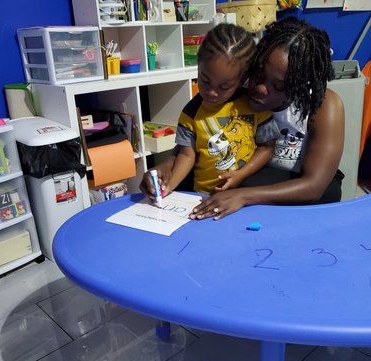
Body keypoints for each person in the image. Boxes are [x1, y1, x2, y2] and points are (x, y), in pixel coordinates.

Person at [142, 17, 345, 220]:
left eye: (279, 86)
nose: (260, 88)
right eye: (258, 73)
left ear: (300, 85)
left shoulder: (324, 105)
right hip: (253, 173)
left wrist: (243, 196)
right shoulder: (234, 85)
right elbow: (194, 136)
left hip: (298, 182)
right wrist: (164, 169)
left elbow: (315, 186)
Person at [142, 23, 279, 197]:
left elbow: (267, 147)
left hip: (244, 195)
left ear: (242, 79)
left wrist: (240, 175)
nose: (211, 92)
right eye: (205, 81)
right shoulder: (191, 112)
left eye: (224, 87)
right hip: (204, 196)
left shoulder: (254, 106)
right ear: (199, 67)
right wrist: (168, 187)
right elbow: (186, 155)